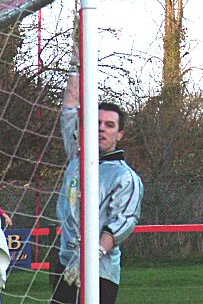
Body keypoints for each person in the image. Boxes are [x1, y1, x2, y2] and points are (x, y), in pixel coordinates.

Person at [52, 53, 144, 304]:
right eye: (97, 122)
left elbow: (122, 223)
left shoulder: (125, 177)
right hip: (65, 264)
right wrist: (76, 63)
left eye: (110, 125)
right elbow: (70, 110)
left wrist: (92, 256)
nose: (102, 128)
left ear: (120, 134)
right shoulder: (78, 156)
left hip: (100, 272)